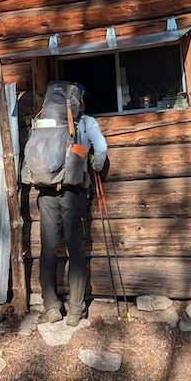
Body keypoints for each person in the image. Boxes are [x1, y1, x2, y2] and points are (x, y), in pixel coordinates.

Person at [36, 84, 108, 326]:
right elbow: (102, 149)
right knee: (75, 250)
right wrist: (95, 166)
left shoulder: (44, 122)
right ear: (79, 102)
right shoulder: (86, 122)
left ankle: (51, 307)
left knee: (48, 249)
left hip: (45, 192)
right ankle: (76, 310)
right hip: (73, 192)